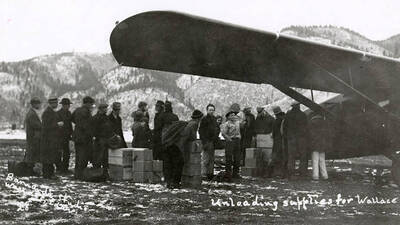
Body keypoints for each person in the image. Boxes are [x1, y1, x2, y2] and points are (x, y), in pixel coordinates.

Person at [166, 109, 203, 188]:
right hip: (177, 145)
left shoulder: (189, 122)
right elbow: (192, 136)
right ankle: (175, 183)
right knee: (179, 163)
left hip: (171, 144)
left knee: (172, 164)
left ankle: (169, 182)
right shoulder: (194, 124)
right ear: (199, 118)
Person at [282, 102, 309, 179]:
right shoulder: (303, 115)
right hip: (301, 138)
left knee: (291, 156)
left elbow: (284, 127)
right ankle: (302, 174)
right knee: (303, 156)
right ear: (299, 106)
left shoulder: (288, 115)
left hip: (291, 138)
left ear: (292, 106)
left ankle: (291, 174)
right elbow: (306, 127)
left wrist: (286, 137)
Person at [72, 96, 95, 180]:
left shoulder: (77, 110)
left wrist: (78, 125)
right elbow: (87, 125)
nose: (92, 106)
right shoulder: (86, 112)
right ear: (88, 103)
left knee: (78, 156)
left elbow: (72, 118)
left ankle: (77, 174)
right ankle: (80, 175)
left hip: (77, 137)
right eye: (91, 104)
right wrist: (90, 133)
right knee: (83, 157)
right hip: (84, 137)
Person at [40, 97, 63, 179]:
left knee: (50, 156)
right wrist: (58, 125)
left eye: (56, 103)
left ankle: (49, 174)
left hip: (51, 138)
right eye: (55, 103)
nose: (56, 104)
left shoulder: (51, 112)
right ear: (51, 103)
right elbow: (46, 126)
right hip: (48, 139)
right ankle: (48, 174)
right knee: (49, 157)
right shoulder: (47, 113)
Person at [92, 103, 113, 176]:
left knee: (105, 157)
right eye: (105, 108)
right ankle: (97, 173)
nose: (106, 109)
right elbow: (93, 130)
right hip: (99, 140)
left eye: (106, 108)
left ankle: (105, 173)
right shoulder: (96, 118)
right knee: (98, 157)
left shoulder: (106, 118)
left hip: (106, 139)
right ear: (101, 109)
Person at [199, 104, 218, 180]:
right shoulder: (204, 119)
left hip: (213, 141)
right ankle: (203, 174)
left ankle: (210, 174)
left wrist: (215, 136)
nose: (211, 111)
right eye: (210, 110)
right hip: (206, 141)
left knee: (211, 159)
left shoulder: (214, 119)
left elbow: (217, 128)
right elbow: (201, 131)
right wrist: (204, 141)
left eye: (213, 110)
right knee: (205, 159)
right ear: (207, 110)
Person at [309, 114, 332, 180]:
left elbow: (310, 134)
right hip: (322, 144)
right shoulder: (324, 122)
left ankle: (315, 176)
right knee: (322, 160)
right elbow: (328, 134)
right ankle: (325, 175)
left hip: (314, 144)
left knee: (315, 160)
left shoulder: (311, 122)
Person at [221, 111, 242, 180]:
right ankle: (228, 174)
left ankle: (236, 173)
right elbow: (224, 133)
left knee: (237, 158)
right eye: (231, 115)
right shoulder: (226, 124)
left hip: (237, 141)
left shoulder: (238, 123)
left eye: (234, 115)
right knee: (229, 158)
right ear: (228, 117)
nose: (233, 116)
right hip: (230, 141)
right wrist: (229, 139)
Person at [24, 97, 42, 175]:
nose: (39, 105)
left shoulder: (32, 113)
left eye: (39, 103)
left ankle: (31, 170)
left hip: (33, 137)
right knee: (32, 154)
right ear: (33, 104)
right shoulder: (32, 114)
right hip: (33, 137)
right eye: (37, 103)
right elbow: (37, 125)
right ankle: (31, 171)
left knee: (32, 154)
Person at [56, 98, 73, 174]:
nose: (68, 106)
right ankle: (59, 168)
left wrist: (71, 133)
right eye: (67, 105)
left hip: (66, 136)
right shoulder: (58, 114)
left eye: (69, 105)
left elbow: (69, 125)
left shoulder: (69, 113)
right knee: (58, 153)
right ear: (63, 105)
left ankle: (65, 168)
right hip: (59, 136)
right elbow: (56, 125)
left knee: (67, 153)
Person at [270, 106, 286, 178]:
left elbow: (274, 133)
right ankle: (282, 173)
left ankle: (275, 172)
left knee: (276, 156)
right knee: (283, 156)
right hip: (283, 140)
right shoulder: (284, 119)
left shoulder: (276, 121)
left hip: (277, 141)